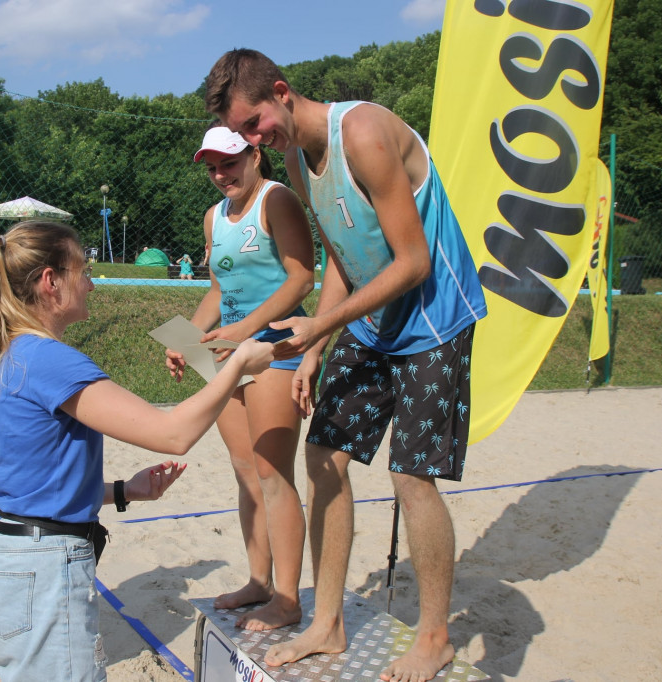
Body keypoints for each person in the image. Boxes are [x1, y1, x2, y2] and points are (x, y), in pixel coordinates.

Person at [205, 49, 488, 681]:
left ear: (281, 92)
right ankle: (327, 623)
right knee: (323, 457)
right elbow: (342, 257)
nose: (253, 139)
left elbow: (412, 260)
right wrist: (314, 348)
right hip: (369, 320)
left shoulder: (361, 131)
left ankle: (435, 635)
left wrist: (318, 326)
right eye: (243, 133)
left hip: (434, 318)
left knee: (412, 478)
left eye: (254, 124)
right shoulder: (295, 165)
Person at [0, 220, 275, 682]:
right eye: (83, 270)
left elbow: (28, 480)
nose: (90, 283)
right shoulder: (51, 360)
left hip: (2, 561)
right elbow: (174, 433)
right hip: (41, 573)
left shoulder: (11, 352)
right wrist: (238, 365)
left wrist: (121, 491)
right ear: (51, 282)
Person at [164, 126, 314, 631]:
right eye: (211, 167)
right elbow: (217, 290)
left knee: (274, 474)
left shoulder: (278, 200)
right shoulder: (214, 217)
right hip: (229, 350)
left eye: (228, 162)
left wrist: (248, 330)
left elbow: (302, 278)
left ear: (254, 155)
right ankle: (259, 581)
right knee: (245, 472)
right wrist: (187, 336)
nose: (220, 174)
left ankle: (288, 599)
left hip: (274, 348)